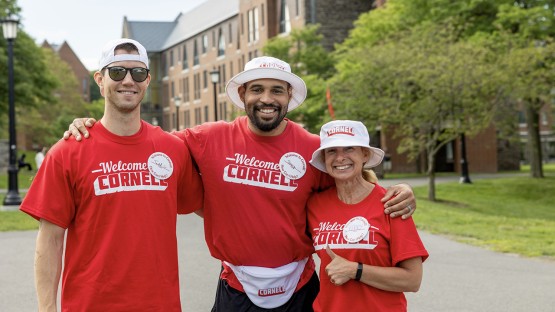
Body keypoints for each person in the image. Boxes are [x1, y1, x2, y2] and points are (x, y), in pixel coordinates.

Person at [65, 56, 417, 311]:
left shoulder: (314, 150)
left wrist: (401, 192)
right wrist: (95, 125)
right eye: (258, 90)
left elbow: (351, 183)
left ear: (289, 98)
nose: (267, 99)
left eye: (277, 90)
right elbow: (147, 142)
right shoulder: (207, 138)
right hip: (235, 286)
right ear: (243, 95)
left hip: (300, 287)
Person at [20, 38, 203, 311]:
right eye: (117, 72)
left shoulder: (172, 149)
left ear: (148, 80)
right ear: (100, 80)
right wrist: (47, 308)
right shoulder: (68, 152)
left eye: (138, 72)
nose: (128, 80)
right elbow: (49, 241)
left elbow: (211, 209)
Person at [307, 120, 428, 312]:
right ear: (324, 157)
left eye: (349, 149)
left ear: (364, 154)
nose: (340, 158)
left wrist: (355, 270)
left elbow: (412, 279)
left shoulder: (390, 203)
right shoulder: (314, 205)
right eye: (332, 151)